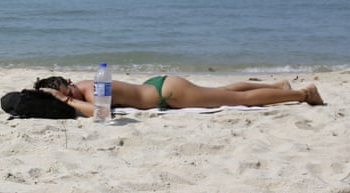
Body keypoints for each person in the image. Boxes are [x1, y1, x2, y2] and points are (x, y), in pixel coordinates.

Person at [35, 74, 324, 116]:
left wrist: (65, 100)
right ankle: (278, 86)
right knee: (223, 92)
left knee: (238, 100)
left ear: (68, 86)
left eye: (68, 92)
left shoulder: (91, 89)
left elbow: (102, 112)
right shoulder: (85, 84)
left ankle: (302, 94)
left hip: (169, 93)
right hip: (161, 86)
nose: (72, 96)